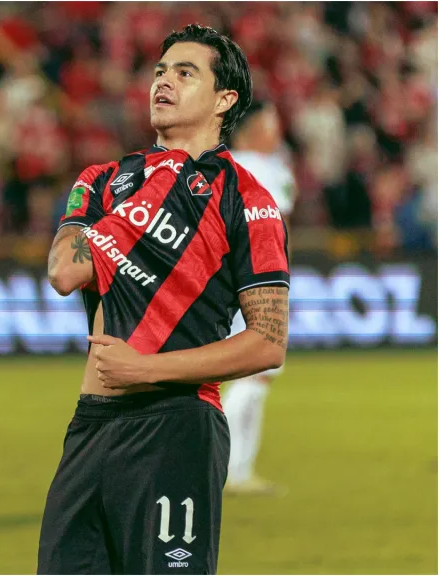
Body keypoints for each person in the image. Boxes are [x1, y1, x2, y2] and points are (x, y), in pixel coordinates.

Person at [41, 25, 289, 574]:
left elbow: (268, 344)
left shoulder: (247, 199)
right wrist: (154, 188)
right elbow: (64, 271)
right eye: (159, 71)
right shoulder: (105, 179)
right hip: (90, 427)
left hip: (176, 425)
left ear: (224, 100)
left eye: (185, 72)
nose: (164, 81)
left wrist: (146, 368)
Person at [220, 101, 296, 496]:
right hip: (259, 281)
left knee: (243, 375)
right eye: (272, 123)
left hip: (219, 279)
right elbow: (276, 230)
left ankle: (237, 469)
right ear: (250, 130)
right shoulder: (271, 169)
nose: (277, 131)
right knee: (255, 375)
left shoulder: (217, 163)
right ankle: (227, 467)